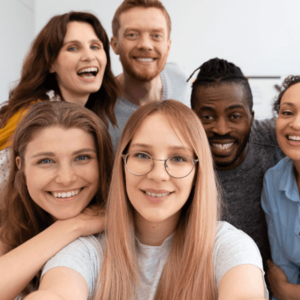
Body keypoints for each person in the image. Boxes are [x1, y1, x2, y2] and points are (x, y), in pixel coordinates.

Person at [29, 100, 267, 300]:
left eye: (178, 158)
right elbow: (56, 293)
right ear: (122, 164)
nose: (158, 174)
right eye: (142, 155)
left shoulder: (229, 247)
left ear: (198, 172)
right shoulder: (86, 251)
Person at [0, 101, 113, 300]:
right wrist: (73, 226)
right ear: (22, 169)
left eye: (82, 158)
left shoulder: (107, 241)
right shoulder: (10, 226)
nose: (66, 178)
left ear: (102, 162)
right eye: (46, 161)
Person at [0, 11, 119, 189]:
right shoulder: (32, 119)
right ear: (51, 63)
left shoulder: (91, 114)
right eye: (73, 48)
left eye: (95, 46)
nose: (89, 56)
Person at [190, 58, 284, 278]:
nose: (221, 129)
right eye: (207, 116)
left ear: (251, 118)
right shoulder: (177, 160)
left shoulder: (277, 143)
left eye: (234, 116)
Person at [108, 0, 191, 151]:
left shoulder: (182, 80)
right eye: (132, 34)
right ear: (115, 45)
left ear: (168, 45)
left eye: (156, 35)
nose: (145, 44)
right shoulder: (101, 108)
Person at [261, 76, 300, 300]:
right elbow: (283, 271)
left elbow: (284, 289)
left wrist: (290, 293)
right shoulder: (274, 181)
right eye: (287, 112)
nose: (296, 124)